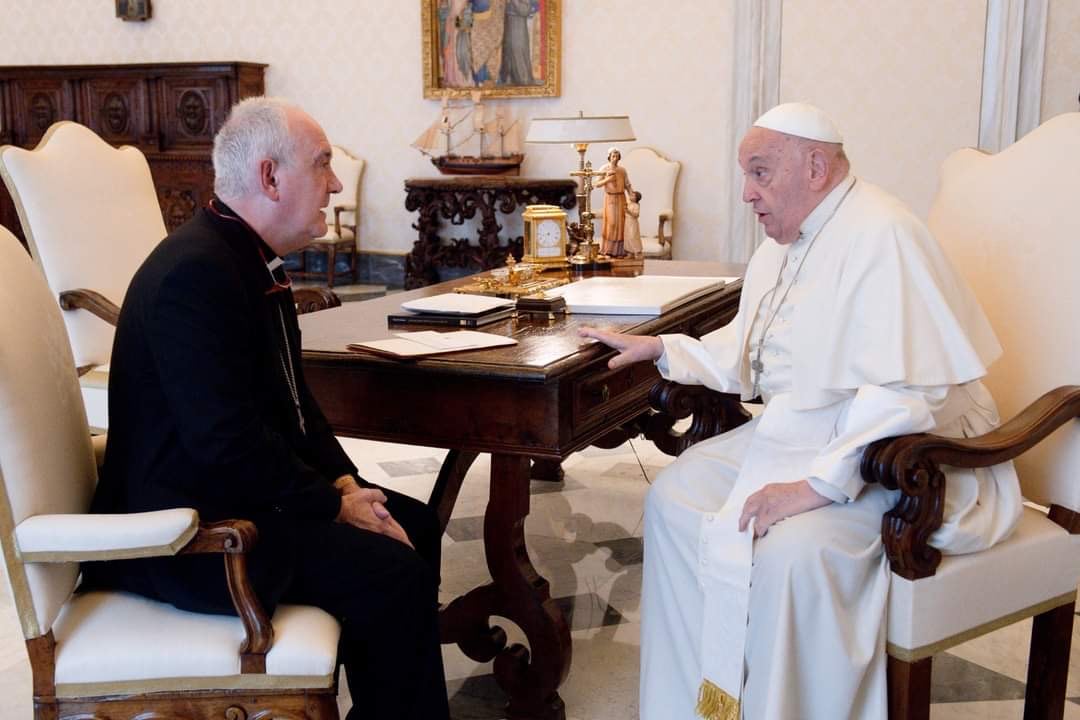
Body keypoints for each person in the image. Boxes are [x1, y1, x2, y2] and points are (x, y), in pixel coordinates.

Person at [579, 102, 1022, 720]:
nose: (745, 194)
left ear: (816, 166)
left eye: (759, 173)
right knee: (674, 499)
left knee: (793, 551)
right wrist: (661, 347)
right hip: (807, 431)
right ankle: (697, 708)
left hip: (907, 453)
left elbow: (909, 397)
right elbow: (749, 353)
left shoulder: (883, 233)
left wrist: (812, 487)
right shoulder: (781, 246)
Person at [84, 97, 450, 720]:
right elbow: (224, 444)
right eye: (322, 165)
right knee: (394, 572)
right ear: (270, 176)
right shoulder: (192, 276)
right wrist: (333, 505)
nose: (335, 184)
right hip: (188, 537)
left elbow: (294, 407)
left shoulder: (245, 260)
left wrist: (345, 483)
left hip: (232, 499)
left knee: (408, 522)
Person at [595, 147, 632, 257]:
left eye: (617, 156)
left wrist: (632, 196)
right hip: (610, 198)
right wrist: (607, 179)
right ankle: (608, 249)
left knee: (621, 224)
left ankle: (620, 251)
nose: (615, 158)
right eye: (613, 156)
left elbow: (627, 184)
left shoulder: (622, 170)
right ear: (609, 157)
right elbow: (596, 184)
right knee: (612, 223)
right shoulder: (604, 168)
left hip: (621, 198)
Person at [499, 0, 536, 85]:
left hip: (518, 26)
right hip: (508, 25)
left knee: (517, 50)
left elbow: (525, 10)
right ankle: (508, 78)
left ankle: (522, 79)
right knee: (508, 52)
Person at [624, 190, 643, 257]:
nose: (630, 196)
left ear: (636, 198)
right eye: (631, 195)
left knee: (633, 236)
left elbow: (636, 215)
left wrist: (628, 211)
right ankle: (630, 252)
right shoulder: (629, 203)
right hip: (627, 222)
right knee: (627, 237)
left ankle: (637, 251)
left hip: (633, 223)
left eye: (632, 195)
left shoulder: (636, 205)